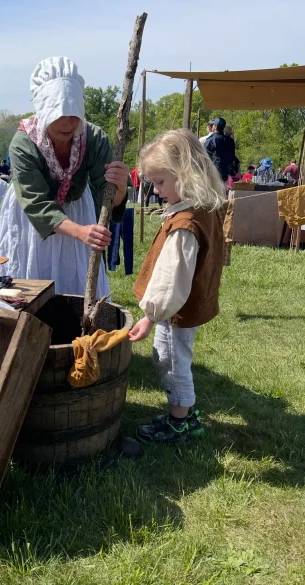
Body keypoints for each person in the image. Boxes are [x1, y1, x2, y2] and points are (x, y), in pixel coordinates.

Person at [0, 57, 128, 296]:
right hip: (32, 218)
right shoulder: (24, 143)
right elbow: (36, 203)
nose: (68, 123)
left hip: (78, 208)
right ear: (44, 111)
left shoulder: (94, 138)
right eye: (59, 115)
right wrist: (79, 232)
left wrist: (119, 188)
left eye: (73, 114)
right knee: (34, 280)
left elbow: (106, 195)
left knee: (75, 277)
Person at [129, 129, 226, 443]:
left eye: (160, 182)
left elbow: (172, 281)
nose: (156, 191)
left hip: (177, 310)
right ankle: (183, 412)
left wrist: (149, 316)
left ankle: (179, 422)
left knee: (172, 361)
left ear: (185, 175)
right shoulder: (201, 209)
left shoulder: (186, 224)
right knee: (167, 356)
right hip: (187, 305)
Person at [205, 117, 235, 182]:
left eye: (213, 125)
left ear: (215, 126)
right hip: (225, 172)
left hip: (213, 173)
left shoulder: (211, 140)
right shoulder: (230, 141)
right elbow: (232, 158)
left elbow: (205, 157)